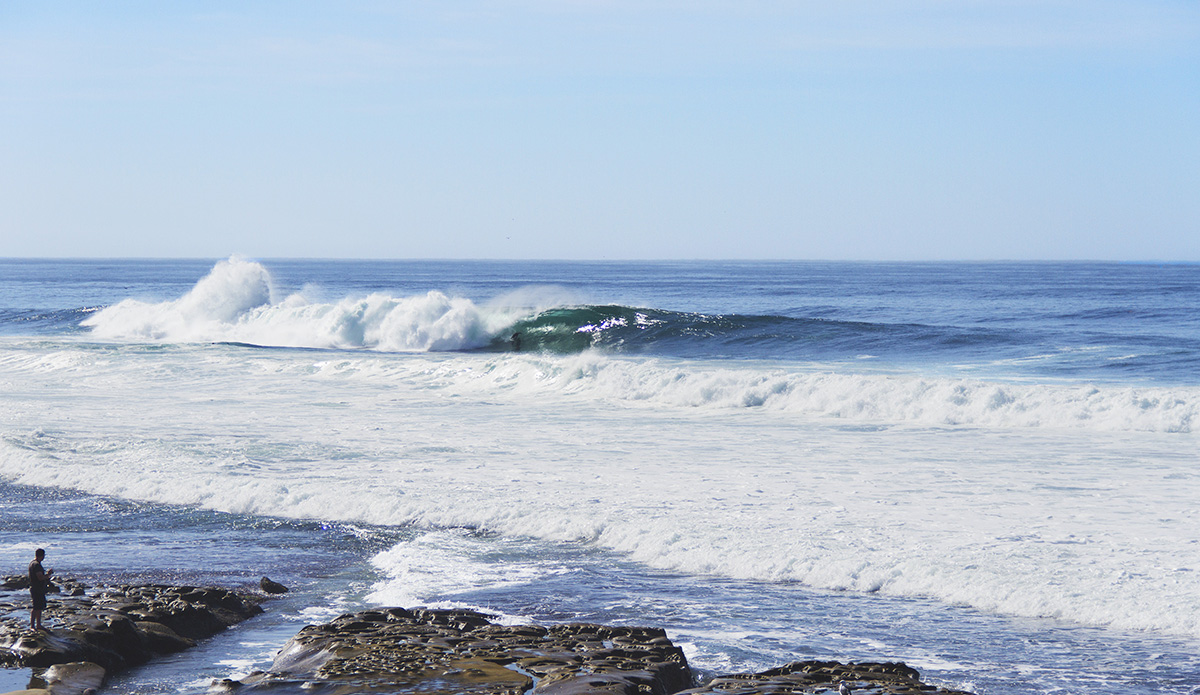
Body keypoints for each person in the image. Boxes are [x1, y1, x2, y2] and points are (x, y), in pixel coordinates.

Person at [28, 548, 53, 631]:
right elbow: (40, 577)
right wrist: (48, 575)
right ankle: (33, 625)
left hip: (35, 587)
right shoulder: (36, 565)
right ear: (42, 556)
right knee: (36, 607)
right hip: (37, 588)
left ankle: (37, 624)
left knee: (38, 607)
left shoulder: (32, 563)